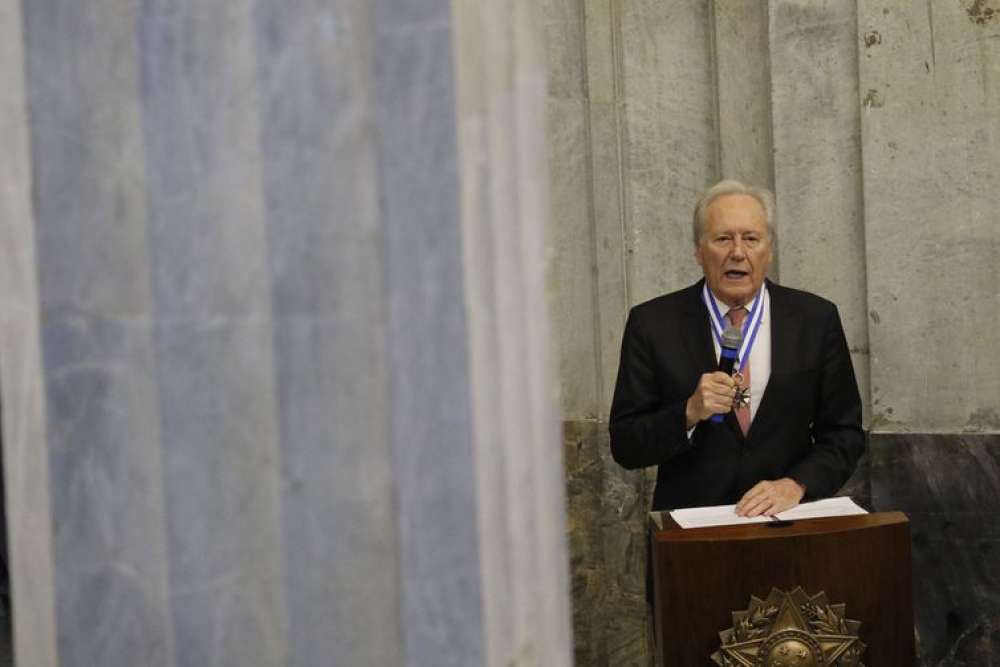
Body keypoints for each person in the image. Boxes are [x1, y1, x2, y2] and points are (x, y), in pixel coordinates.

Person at [609, 180, 864, 519]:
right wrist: (687, 412)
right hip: (693, 537)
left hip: (787, 532)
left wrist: (796, 485)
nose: (738, 252)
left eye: (751, 238)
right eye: (723, 238)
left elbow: (844, 434)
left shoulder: (814, 319)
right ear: (699, 251)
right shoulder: (653, 324)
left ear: (769, 250)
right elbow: (626, 445)